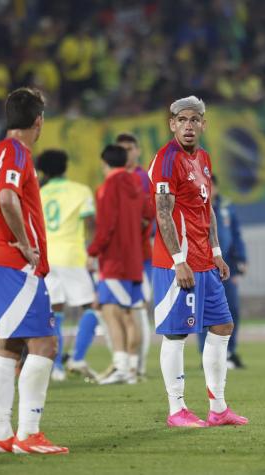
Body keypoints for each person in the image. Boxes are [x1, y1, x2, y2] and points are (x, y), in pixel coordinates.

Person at [148, 95, 248, 428]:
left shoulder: (203, 158)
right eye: (182, 120)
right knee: (176, 335)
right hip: (179, 264)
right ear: (172, 124)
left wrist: (217, 252)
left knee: (222, 327)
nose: (188, 126)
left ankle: (218, 408)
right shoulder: (166, 160)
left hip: (206, 262)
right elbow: (163, 213)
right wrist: (179, 260)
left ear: (204, 124)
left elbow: (207, 211)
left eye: (195, 120)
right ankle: (176, 409)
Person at [0, 87, 68, 455]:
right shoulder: (17, 153)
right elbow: (5, 198)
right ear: (38, 121)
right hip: (18, 266)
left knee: (7, 346)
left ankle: (1, 434)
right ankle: (28, 433)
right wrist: (24, 244)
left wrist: (2, 237)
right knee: (45, 344)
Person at [87, 144, 150, 385]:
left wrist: (93, 251)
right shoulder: (136, 183)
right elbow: (148, 215)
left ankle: (121, 367)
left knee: (111, 312)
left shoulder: (107, 187)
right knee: (132, 314)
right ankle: (132, 369)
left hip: (114, 260)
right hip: (135, 260)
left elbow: (107, 224)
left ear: (105, 163)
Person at [36, 149, 99, 382]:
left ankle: (57, 369)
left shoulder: (39, 192)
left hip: (48, 257)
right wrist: (93, 252)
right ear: (65, 166)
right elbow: (90, 223)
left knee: (56, 312)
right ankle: (77, 358)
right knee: (93, 307)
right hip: (73, 256)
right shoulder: (80, 190)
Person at [197, 174, 248, 369]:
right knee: (205, 312)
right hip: (205, 266)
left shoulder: (226, 207)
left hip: (227, 267)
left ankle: (229, 351)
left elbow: (236, 234)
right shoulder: (196, 206)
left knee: (231, 311)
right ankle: (206, 354)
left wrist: (241, 259)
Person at [118, 132, 155, 379]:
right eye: (122, 149)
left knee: (138, 308)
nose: (127, 153)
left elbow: (149, 215)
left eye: (130, 148)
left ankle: (137, 366)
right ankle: (127, 364)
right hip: (121, 255)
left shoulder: (142, 178)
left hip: (142, 255)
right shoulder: (116, 178)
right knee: (123, 311)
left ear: (138, 151)